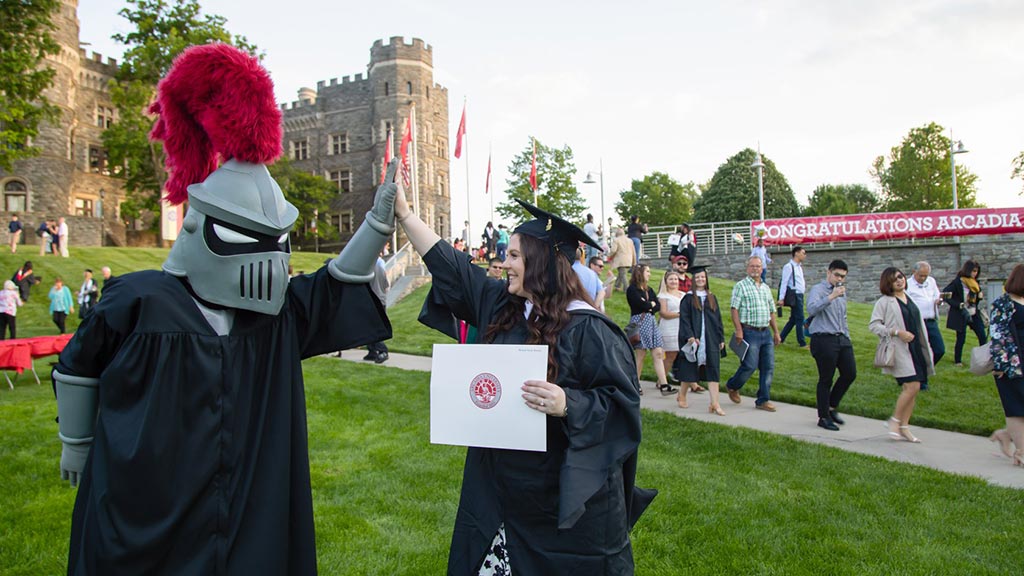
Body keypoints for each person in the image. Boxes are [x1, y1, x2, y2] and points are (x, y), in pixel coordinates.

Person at [52, 45, 393, 575]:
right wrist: (76, 442)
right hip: (147, 509)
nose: (266, 261)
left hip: (244, 517)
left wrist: (374, 226)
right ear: (197, 227)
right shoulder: (140, 303)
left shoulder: (274, 319)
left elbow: (335, 285)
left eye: (275, 242)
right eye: (245, 238)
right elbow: (78, 366)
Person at [397, 191, 654, 573]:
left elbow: (620, 408)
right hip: (502, 494)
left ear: (542, 264)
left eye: (515, 256)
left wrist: (567, 404)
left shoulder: (590, 330)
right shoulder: (504, 307)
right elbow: (452, 268)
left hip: (562, 506)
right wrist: (404, 214)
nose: (505, 263)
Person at [869, 267, 934, 443]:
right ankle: (895, 421)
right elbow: (874, 325)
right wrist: (896, 332)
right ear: (887, 283)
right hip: (899, 349)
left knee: (916, 387)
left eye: (900, 277)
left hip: (915, 349)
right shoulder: (885, 302)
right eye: (894, 279)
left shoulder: (909, 299)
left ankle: (904, 426)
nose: (899, 281)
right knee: (911, 386)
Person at [725, 256, 781, 411]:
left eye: (758, 266)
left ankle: (763, 400)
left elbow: (771, 311)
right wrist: (738, 330)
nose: (755, 269)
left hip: (766, 333)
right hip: (749, 331)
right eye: (752, 266)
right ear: (747, 268)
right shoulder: (741, 286)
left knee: (768, 367)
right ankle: (732, 385)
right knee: (749, 365)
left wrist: (776, 332)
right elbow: (734, 308)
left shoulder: (766, 288)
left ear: (762, 269)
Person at [806, 259, 856, 431]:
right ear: (828, 273)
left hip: (841, 338)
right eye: (836, 275)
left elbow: (843, 316)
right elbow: (811, 309)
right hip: (823, 338)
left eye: (843, 276)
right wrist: (831, 297)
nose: (839, 279)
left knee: (850, 373)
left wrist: (847, 336)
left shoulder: (842, 292)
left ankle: (831, 406)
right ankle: (823, 416)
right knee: (826, 379)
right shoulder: (818, 290)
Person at [675, 266, 726, 414]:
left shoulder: (711, 297)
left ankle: (715, 403)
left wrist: (721, 337)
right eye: (697, 277)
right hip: (694, 339)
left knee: (713, 369)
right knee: (690, 369)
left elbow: (718, 319)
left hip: (710, 338)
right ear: (693, 280)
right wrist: (690, 336)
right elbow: (684, 320)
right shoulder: (688, 298)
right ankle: (682, 395)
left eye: (703, 277)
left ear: (706, 279)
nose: (700, 279)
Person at [988, 264, 1024, 467]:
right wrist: (1002, 365)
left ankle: (1005, 434)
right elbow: (998, 335)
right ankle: (1021, 453)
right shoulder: (1003, 304)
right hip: (1011, 364)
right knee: (1016, 408)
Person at [628, 264, 677, 396]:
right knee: (641, 355)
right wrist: (650, 305)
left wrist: (650, 305)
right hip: (640, 322)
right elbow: (640, 305)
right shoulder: (632, 290)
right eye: (647, 271)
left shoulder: (649, 290)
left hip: (651, 322)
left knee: (658, 353)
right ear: (640, 273)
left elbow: (657, 306)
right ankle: (635, 384)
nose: (649, 274)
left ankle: (664, 384)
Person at [944, 260, 988, 367]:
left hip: (973, 312)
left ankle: (984, 360)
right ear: (968, 270)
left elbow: (975, 301)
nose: (975, 274)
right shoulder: (958, 282)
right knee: (961, 337)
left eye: (977, 271)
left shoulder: (975, 283)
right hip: (961, 313)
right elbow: (946, 295)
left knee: (982, 335)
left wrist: (979, 297)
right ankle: (958, 360)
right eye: (973, 271)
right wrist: (958, 304)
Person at [906, 261, 946, 365]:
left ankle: (926, 368)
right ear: (914, 272)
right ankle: (920, 373)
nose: (923, 278)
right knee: (919, 350)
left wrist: (939, 301)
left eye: (925, 276)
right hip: (917, 322)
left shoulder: (931, 281)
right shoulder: (907, 285)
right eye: (921, 276)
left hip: (931, 321)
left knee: (939, 349)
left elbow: (937, 296)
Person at [363, 254, 391, 364]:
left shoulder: (370, 266)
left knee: (373, 327)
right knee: (368, 327)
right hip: (379, 298)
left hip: (374, 299)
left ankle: (382, 350)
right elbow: (386, 284)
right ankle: (372, 351)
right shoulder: (379, 264)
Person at [778, 245, 807, 348]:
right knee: (800, 318)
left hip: (799, 294)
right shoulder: (789, 266)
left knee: (793, 319)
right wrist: (781, 298)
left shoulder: (799, 267)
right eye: (803, 253)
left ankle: (780, 338)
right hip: (795, 294)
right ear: (796, 253)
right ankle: (802, 342)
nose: (805, 255)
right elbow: (784, 282)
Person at [658, 271, 684, 387]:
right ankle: (661, 380)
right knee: (669, 355)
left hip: (681, 328)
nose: (674, 281)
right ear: (666, 282)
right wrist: (679, 314)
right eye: (671, 279)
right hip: (668, 327)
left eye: (675, 279)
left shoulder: (683, 295)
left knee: (676, 354)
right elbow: (663, 313)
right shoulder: (663, 296)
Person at [572, 248, 604, 313]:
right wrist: (594, 308)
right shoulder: (591, 273)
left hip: (571, 312)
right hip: (589, 311)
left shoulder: (565, 271)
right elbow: (602, 292)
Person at [608, 227, 636, 292]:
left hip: (620, 260)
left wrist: (609, 256)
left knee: (623, 274)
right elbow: (633, 251)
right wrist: (634, 262)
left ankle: (627, 289)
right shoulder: (630, 240)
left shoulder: (616, 240)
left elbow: (613, 250)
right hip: (629, 260)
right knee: (621, 273)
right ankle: (617, 286)